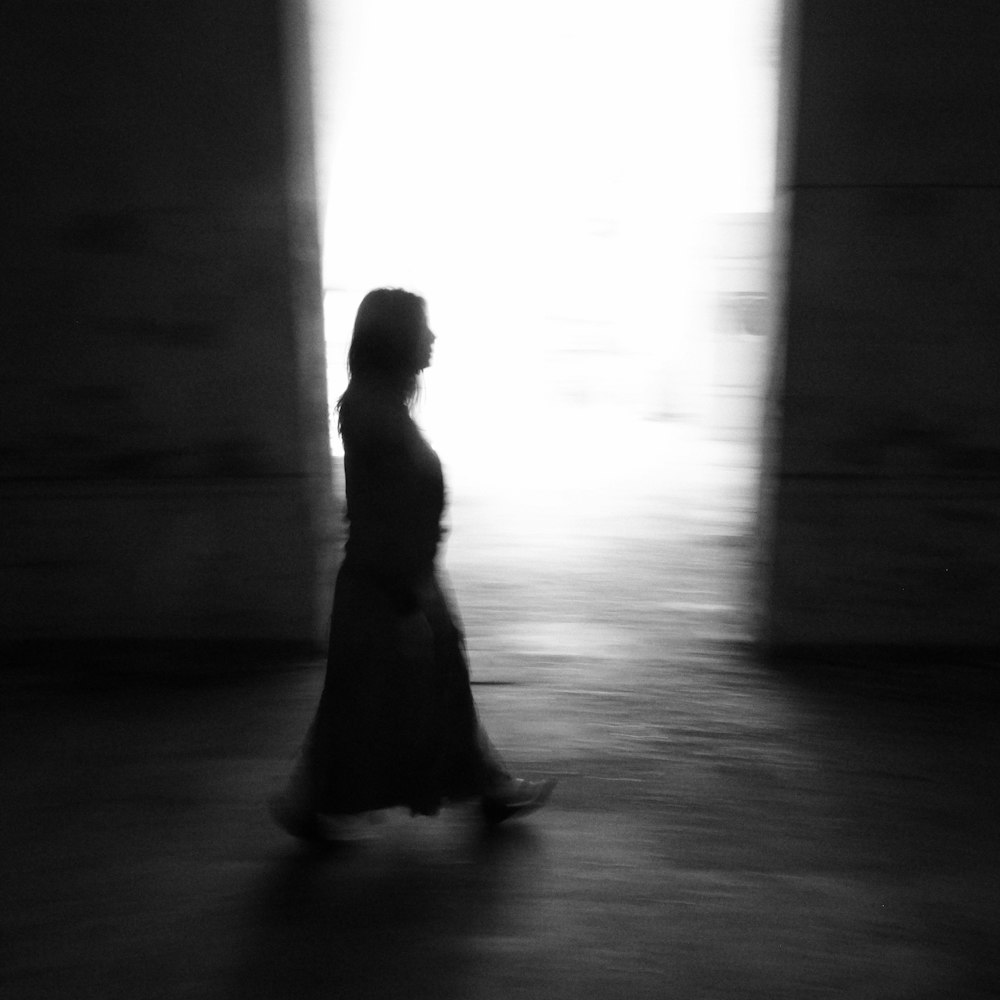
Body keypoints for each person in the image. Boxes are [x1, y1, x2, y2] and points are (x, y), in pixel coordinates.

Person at [271, 287, 554, 841]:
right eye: (422, 328)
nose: (431, 338)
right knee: (376, 701)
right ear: (396, 338)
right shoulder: (373, 413)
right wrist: (405, 601)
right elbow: (380, 512)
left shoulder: (379, 405)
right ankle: (312, 802)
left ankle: (486, 787)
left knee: (416, 696)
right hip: (389, 585)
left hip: (400, 580)